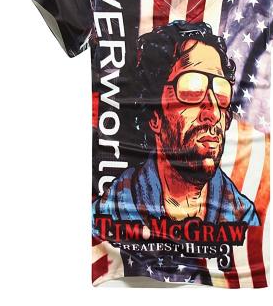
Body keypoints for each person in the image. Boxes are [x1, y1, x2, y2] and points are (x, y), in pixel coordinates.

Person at [92, 20, 260, 231]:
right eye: (192, 90)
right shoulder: (111, 213)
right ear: (154, 116)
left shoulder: (245, 220)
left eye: (221, 93)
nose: (212, 112)